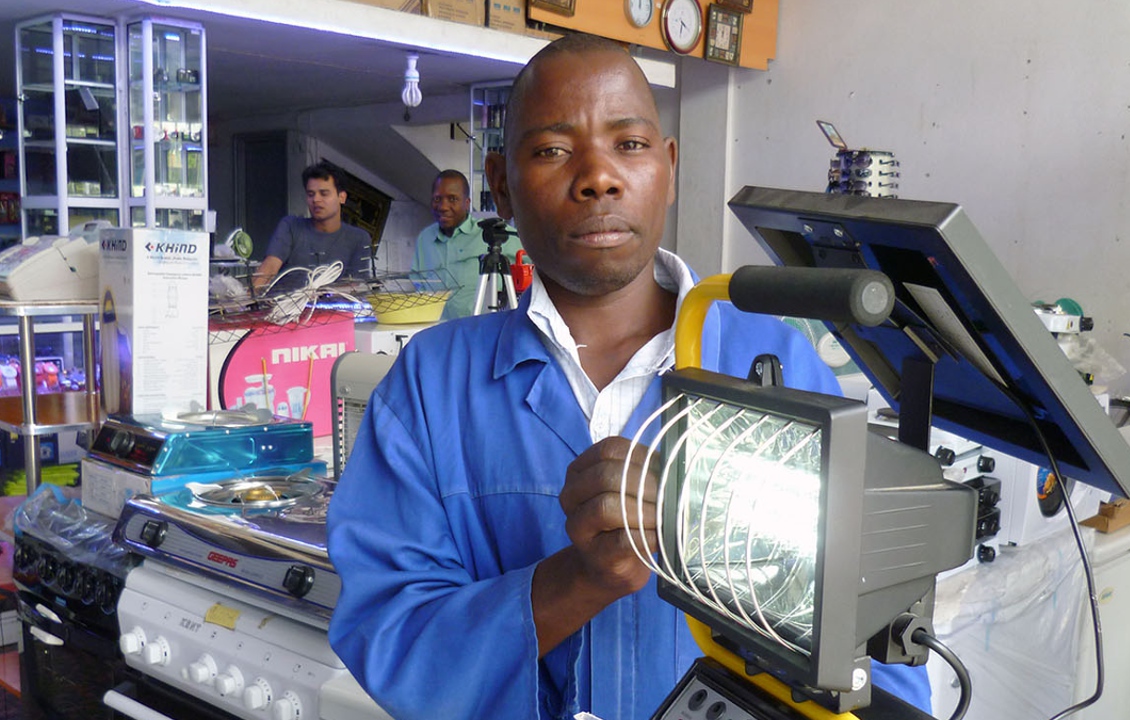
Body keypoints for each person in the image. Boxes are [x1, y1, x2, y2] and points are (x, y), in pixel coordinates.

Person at [327, 35, 932, 720]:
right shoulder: (431, 388)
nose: (598, 177)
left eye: (630, 145)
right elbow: (390, 637)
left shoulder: (777, 368)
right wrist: (575, 581)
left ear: (668, 168)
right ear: (502, 184)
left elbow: (874, 647)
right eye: (553, 150)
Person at [411, 169, 524, 319]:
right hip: (437, 332)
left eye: (452, 199)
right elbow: (418, 285)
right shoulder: (424, 239)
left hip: (481, 331)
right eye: (437, 199)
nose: (443, 207)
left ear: (467, 203)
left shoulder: (493, 235)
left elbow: (537, 266)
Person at [253, 161, 373, 292]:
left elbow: (357, 286)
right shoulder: (291, 226)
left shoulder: (359, 238)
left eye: (324, 193)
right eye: (311, 194)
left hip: (334, 310)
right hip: (283, 309)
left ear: (342, 197)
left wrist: (318, 295)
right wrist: (247, 301)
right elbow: (269, 267)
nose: (316, 200)